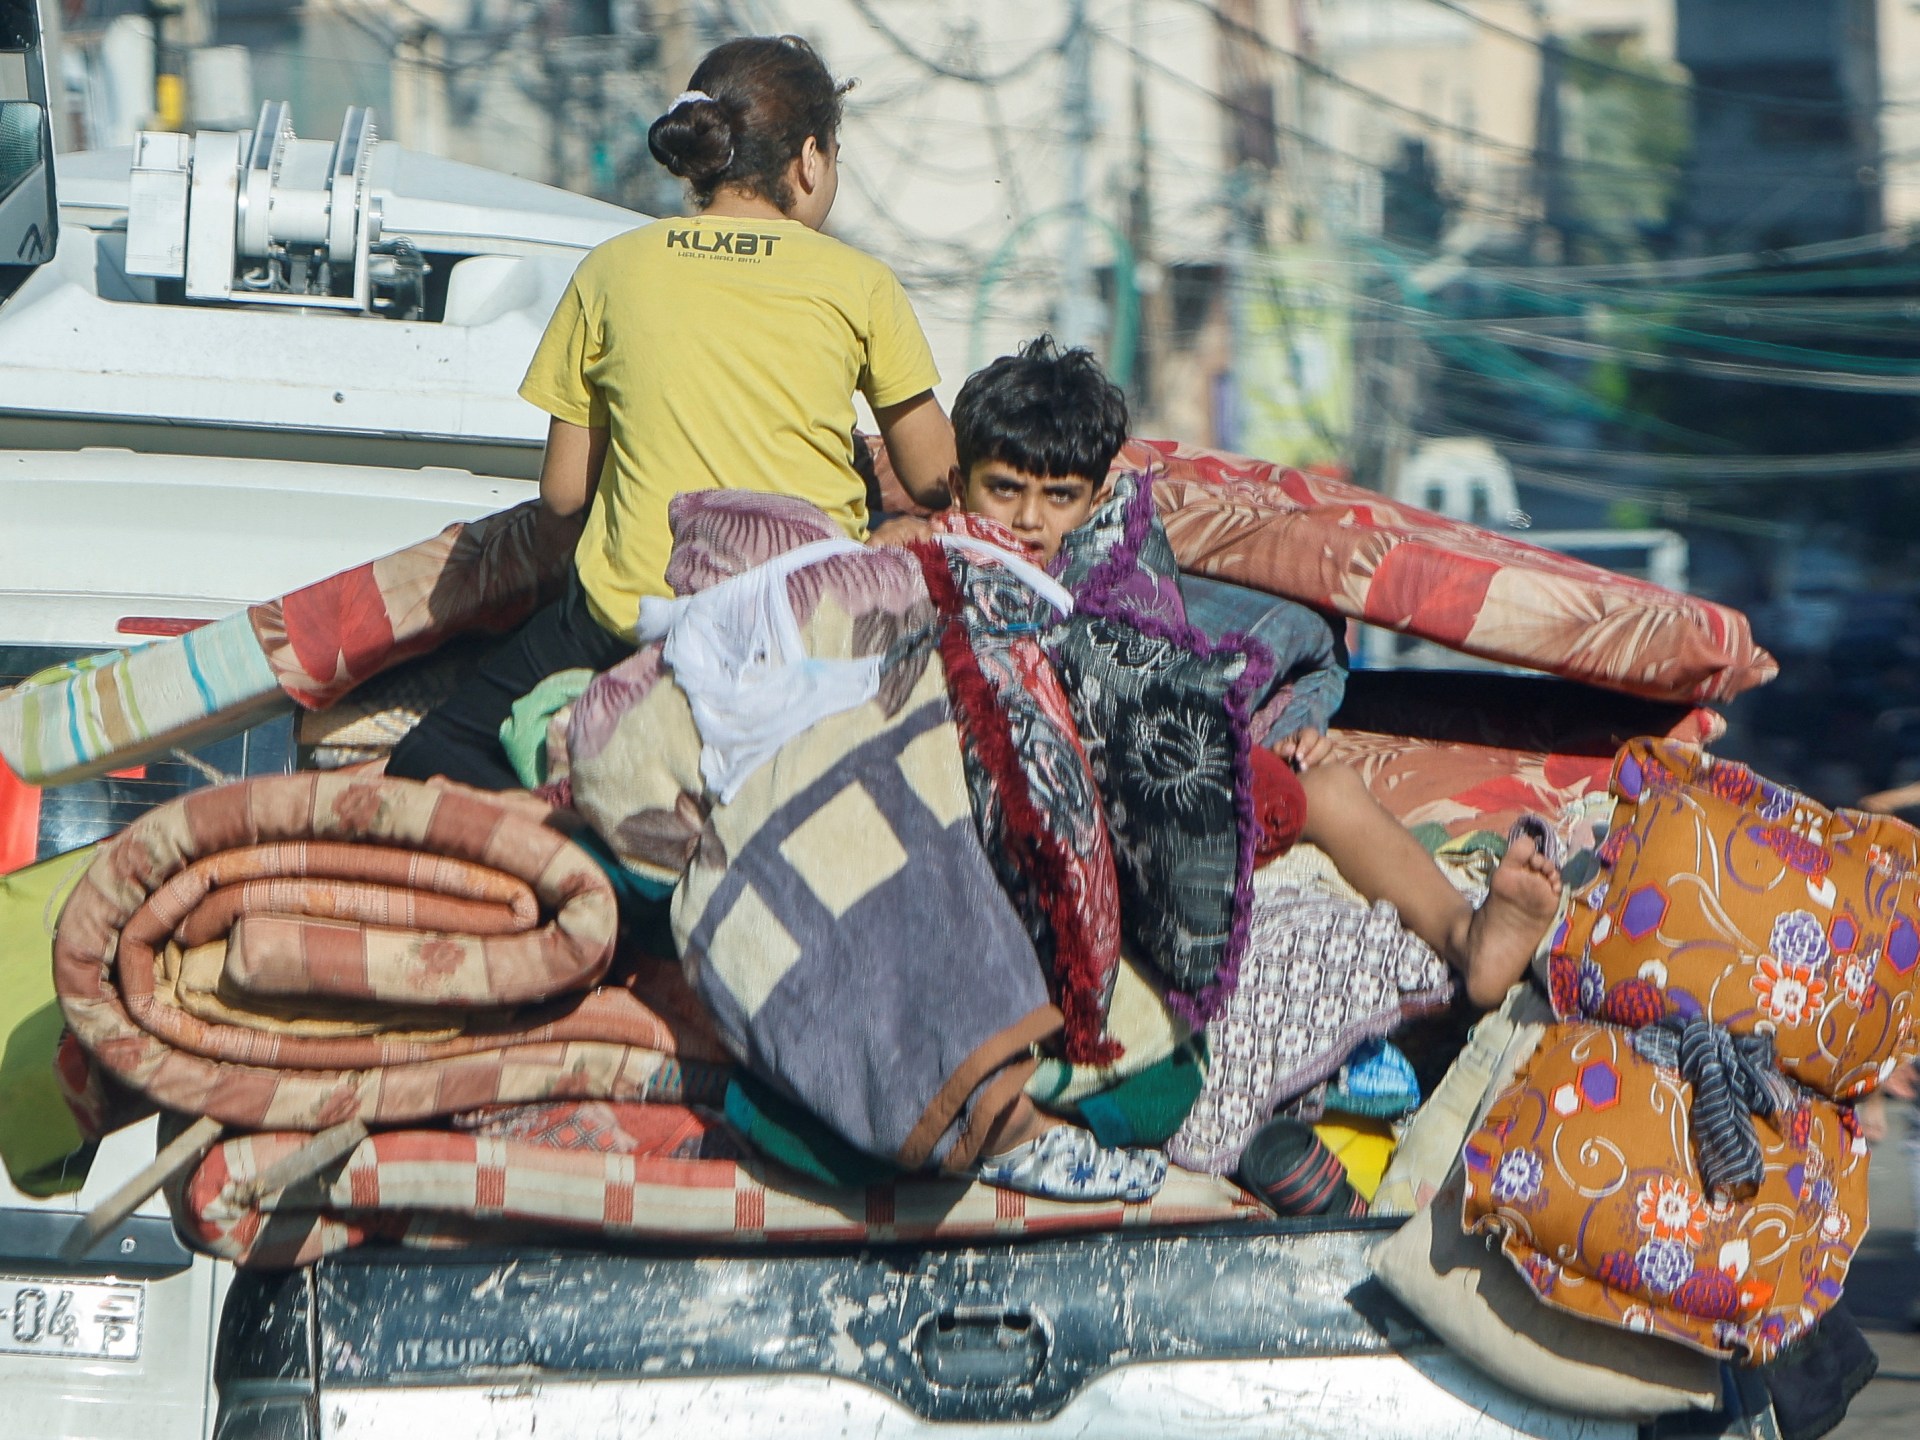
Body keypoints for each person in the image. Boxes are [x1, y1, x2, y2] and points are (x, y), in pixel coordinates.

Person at [389, 35, 956, 790]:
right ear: (811, 159)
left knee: (426, 757)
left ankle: (563, 832)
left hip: (627, 623)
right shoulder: (859, 284)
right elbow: (934, 475)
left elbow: (562, 495)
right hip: (799, 633)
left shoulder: (613, 268)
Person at [931, 337, 1563, 1010]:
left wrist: (1264, 745)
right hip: (1034, 823)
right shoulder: (935, 570)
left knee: (1327, 788)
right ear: (957, 487)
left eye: (1059, 496)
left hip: (1161, 818)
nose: (1029, 520)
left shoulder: (1117, 580)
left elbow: (1175, 685)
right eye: (1004, 490)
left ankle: (1468, 937)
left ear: (1093, 504)